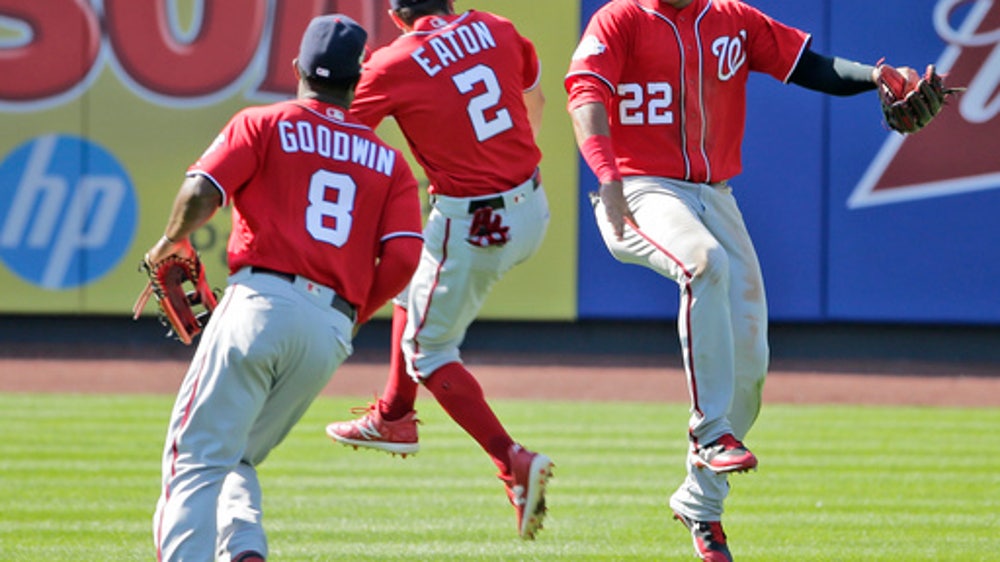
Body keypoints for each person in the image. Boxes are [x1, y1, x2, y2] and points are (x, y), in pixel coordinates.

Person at [565, 1, 936, 560]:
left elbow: (808, 64)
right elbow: (585, 95)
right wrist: (607, 173)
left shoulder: (732, 18)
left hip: (715, 195)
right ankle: (710, 431)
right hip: (641, 188)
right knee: (702, 262)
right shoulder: (620, 19)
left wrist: (875, 76)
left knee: (750, 367)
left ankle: (700, 504)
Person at [148, 15, 424, 561]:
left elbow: (203, 191)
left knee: (196, 460)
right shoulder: (391, 163)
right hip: (327, 331)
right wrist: (354, 313)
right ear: (358, 80)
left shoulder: (264, 123)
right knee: (238, 457)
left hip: (260, 304)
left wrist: (168, 242)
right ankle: (245, 550)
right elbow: (404, 257)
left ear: (298, 68)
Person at [323, 0, 554, 540]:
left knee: (430, 352)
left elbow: (333, 134)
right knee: (412, 286)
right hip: (531, 204)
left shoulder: (393, 62)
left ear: (394, 11)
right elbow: (535, 99)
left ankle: (511, 460)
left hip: (472, 223)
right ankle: (394, 414)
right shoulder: (496, 27)